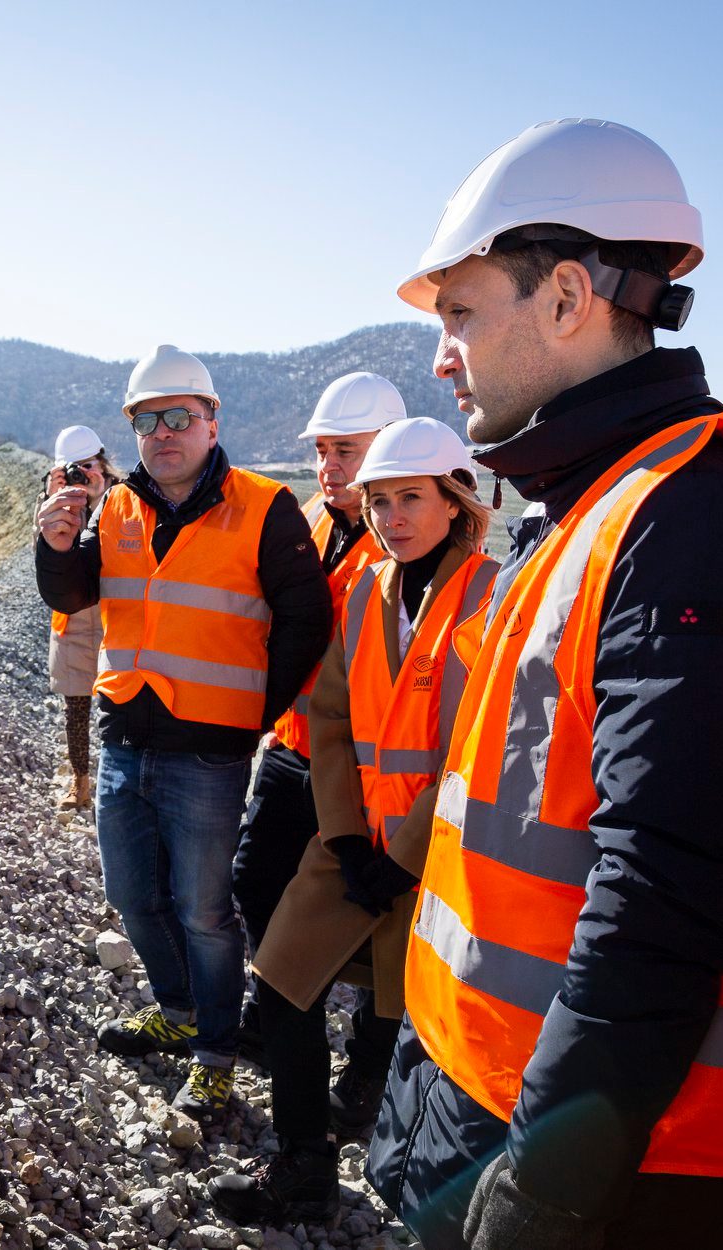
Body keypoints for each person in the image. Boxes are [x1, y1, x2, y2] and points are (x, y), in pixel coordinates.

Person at [366, 118, 723, 1250]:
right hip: (487, 1088)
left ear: (568, 297)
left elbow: (666, 888)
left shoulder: (694, 514)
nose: (441, 354)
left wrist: (550, 1182)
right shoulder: (594, 497)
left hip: (619, 1164)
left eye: (459, 312)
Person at [211, 417, 497, 1225]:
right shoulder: (369, 589)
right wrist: (341, 835)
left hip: (440, 861)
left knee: (421, 1026)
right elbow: (330, 719)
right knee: (281, 978)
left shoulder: (493, 597)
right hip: (354, 840)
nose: (390, 517)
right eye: (378, 501)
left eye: (411, 498)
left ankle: (421, 1192)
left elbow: (476, 748)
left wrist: (401, 858)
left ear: (455, 502)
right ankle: (304, 1165)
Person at [35, 344, 330, 1117]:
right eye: (146, 421)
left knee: (203, 912)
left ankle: (215, 1052)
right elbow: (72, 592)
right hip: (124, 739)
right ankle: (177, 1011)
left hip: (207, 751)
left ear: (210, 423)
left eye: (178, 417)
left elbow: (305, 620)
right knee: (133, 898)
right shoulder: (116, 507)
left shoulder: (265, 506)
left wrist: (253, 713)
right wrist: (54, 545)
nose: (162, 432)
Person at [228, 371, 399, 1073]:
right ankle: (275, 1009)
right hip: (293, 748)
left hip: (364, 768)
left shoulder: (407, 542)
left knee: (371, 920)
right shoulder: (312, 521)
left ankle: (362, 1072)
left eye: (345, 450)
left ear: (386, 447)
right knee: (255, 881)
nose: (329, 466)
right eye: (322, 451)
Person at [43, 423, 124, 813]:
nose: (82, 475)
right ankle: (80, 782)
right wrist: (53, 502)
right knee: (75, 709)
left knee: (119, 709)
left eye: (87, 466)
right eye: (73, 469)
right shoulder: (53, 503)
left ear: (102, 463)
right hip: (73, 620)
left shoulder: (124, 497)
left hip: (117, 619)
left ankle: (117, 783)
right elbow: (45, 557)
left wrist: (99, 499)